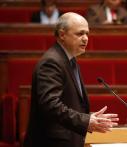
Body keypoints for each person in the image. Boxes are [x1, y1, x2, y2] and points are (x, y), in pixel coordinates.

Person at [23, 12, 119, 147]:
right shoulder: (52, 62)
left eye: (87, 33)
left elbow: (69, 103)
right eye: (80, 34)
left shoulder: (70, 60)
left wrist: (89, 117)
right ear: (62, 35)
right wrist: (85, 121)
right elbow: (50, 105)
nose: (86, 38)